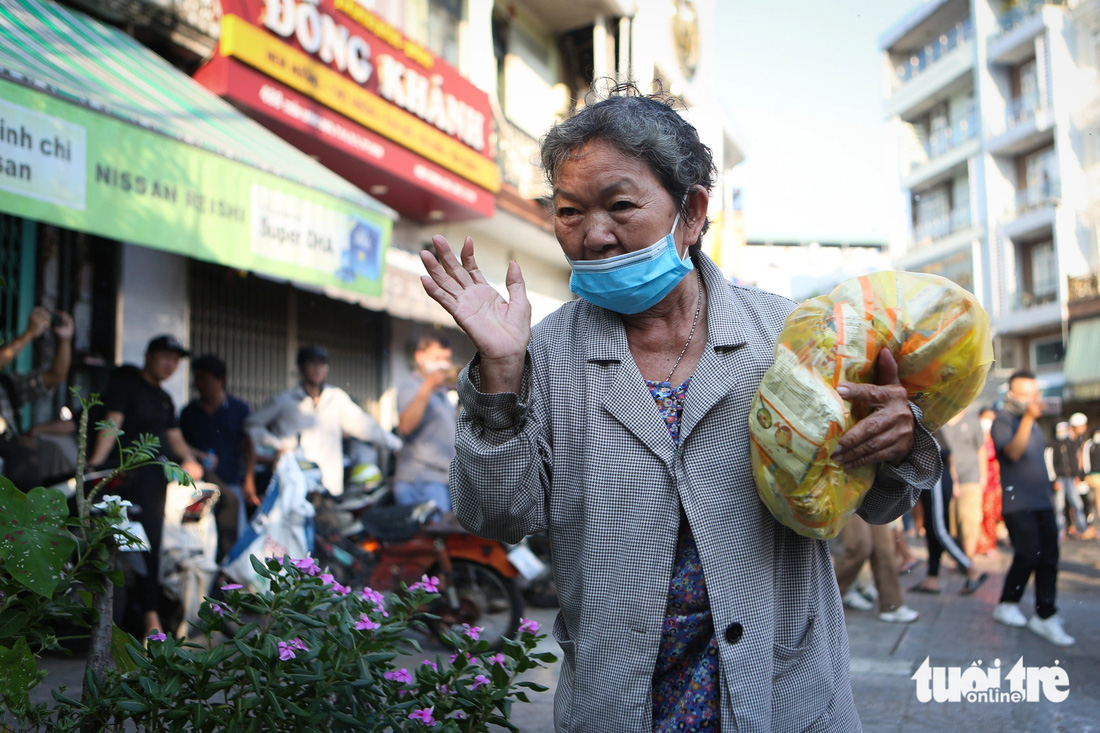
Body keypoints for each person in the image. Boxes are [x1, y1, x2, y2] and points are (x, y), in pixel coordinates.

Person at [418, 85, 940, 731]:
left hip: (781, 688)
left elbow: (877, 502)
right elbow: (498, 515)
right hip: (623, 696)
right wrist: (499, 375)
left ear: (690, 212)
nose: (594, 236)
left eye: (621, 206)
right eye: (569, 211)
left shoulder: (791, 336)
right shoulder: (543, 353)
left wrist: (895, 440)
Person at [88, 334, 204, 636]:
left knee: (155, 542)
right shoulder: (126, 386)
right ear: (149, 355)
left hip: (156, 479)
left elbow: (174, 436)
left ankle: (156, 615)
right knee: (133, 544)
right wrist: (95, 463)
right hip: (126, 478)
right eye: (165, 357)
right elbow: (112, 424)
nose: (170, 364)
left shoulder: (165, 399)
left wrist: (190, 460)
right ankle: (140, 617)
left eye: (176, 360)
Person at [990, 371, 1074, 646]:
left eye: (1034, 393)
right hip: (1018, 504)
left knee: (1049, 557)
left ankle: (1045, 614)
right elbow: (1012, 453)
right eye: (1024, 394)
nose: (1031, 400)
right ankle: (1006, 604)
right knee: (1027, 555)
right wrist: (1027, 417)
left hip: (1042, 501)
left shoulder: (1036, 424)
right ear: (1011, 394)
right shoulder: (1003, 420)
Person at [245, 345, 400, 496]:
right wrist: (278, 444)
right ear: (301, 368)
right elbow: (251, 426)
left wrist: (397, 445)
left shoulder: (336, 398)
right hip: (294, 485)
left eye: (322, 364)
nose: (318, 369)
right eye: (312, 364)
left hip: (329, 485)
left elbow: (366, 426)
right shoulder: (285, 401)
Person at [179, 354, 257, 541]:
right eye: (196, 379)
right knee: (200, 536)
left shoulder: (239, 409)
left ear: (220, 380)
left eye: (204, 379)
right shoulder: (188, 412)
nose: (199, 384)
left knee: (232, 534)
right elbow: (180, 444)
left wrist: (249, 479)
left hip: (230, 480)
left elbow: (249, 446)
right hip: (199, 485)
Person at [0, 306, 74, 488]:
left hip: (12, 470)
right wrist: (28, 334)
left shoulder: (7, 384)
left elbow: (56, 376)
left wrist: (64, 340)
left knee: (52, 455)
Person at [909, 432, 987, 595]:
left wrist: (954, 479)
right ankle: (932, 578)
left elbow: (945, 453)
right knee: (932, 529)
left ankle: (971, 569)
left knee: (939, 530)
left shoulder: (928, 421)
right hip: (932, 478)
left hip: (935, 478)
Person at [395, 332, 457, 512]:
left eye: (447, 358)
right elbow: (405, 426)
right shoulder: (411, 387)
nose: (444, 364)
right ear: (420, 357)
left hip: (439, 480)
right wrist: (428, 385)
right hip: (421, 481)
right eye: (437, 357)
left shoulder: (442, 393)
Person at [833, 514, 919, 623]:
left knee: (883, 548)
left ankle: (892, 605)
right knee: (860, 545)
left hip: (873, 497)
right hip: (848, 499)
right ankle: (827, 595)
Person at [1050, 420, 1088, 540]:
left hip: (1070, 477)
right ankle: (1060, 530)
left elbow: (1074, 460)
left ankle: (1083, 528)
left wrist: (1077, 475)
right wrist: (1054, 479)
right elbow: (1049, 463)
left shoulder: (1070, 443)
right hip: (1059, 478)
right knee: (1059, 505)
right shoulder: (1052, 445)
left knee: (1077, 503)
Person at [975, 406, 1003, 556]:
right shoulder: (975, 436)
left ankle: (990, 544)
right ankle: (980, 544)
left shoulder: (995, 437)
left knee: (990, 513)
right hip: (977, 481)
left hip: (992, 482)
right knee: (978, 514)